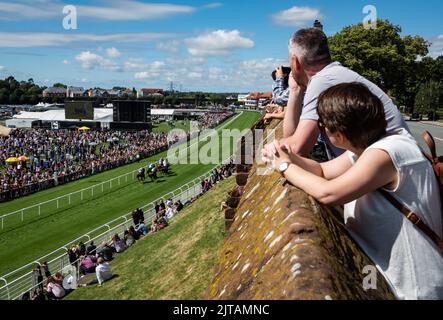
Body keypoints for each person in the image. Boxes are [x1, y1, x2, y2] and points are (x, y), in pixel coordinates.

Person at [272, 83, 443, 300]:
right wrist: (288, 155)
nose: (322, 129)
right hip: (387, 276)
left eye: (322, 125)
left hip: (415, 288)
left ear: (339, 135)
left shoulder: (386, 154)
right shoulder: (367, 147)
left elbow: (328, 194)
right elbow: (323, 170)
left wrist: (285, 167)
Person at [263, 28, 412, 161]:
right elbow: (292, 137)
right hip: (393, 164)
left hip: (389, 171)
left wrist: (268, 149)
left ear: (295, 62)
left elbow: (297, 149)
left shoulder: (322, 81)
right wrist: (295, 91)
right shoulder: (333, 74)